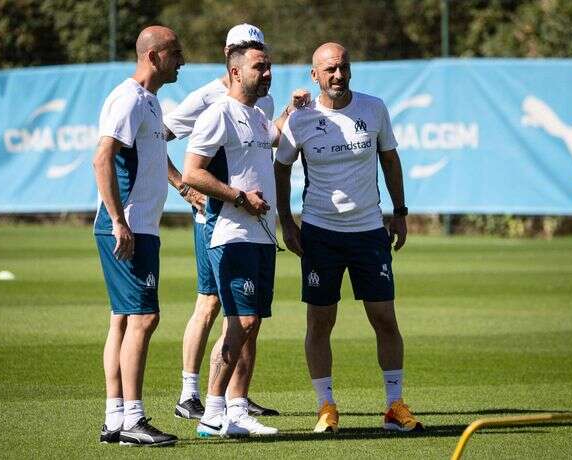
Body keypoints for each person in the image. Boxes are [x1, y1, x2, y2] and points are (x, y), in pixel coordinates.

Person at [274, 42, 423, 434]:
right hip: (320, 234)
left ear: (350, 69)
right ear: (314, 75)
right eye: (329, 70)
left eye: (342, 67)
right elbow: (281, 168)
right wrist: (287, 222)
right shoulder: (300, 119)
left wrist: (401, 213)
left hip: (369, 231)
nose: (337, 75)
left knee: (385, 319)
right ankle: (326, 407)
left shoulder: (374, 108)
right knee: (320, 321)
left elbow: (390, 159)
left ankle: (394, 406)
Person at [182, 39, 307, 437]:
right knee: (242, 319)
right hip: (230, 233)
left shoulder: (255, 115)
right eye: (259, 67)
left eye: (269, 66)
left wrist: (292, 110)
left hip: (261, 234)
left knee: (250, 325)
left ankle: (234, 409)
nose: (267, 72)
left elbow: (273, 138)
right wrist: (238, 197)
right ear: (235, 71)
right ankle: (212, 412)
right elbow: (191, 173)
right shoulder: (217, 113)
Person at [163, 24, 278, 420]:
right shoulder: (210, 100)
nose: (258, 58)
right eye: (246, 50)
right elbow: (156, 136)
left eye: (259, 48)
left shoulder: (261, 103)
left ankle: (235, 398)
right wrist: (182, 186)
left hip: (255, 225)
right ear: (231, 58)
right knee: (213, 304)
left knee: (248, 317)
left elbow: (269, 144)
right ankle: (192, 395)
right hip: (217, 219)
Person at [92, 25, 184, 447]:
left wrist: (182, 184)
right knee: (145, 318)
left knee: (124, 320)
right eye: (175, 52)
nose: (181, 60)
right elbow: (102, 157)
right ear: (153, 56)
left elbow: (153, 154)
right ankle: (133, 419)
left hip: (138, 226)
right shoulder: (127, 98)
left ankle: (115, 419)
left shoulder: (151, 103)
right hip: (128, 228)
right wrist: (118, 220)